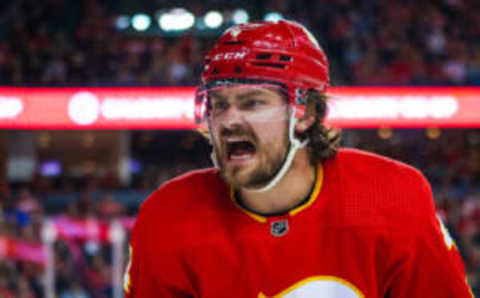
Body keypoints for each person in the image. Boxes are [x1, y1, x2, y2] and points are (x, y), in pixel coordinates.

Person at [124, 20, 473, 297]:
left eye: (252, 102)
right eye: (218, 105)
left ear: (304, 114)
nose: (228, 120)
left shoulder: (390, 196)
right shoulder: (168, 216)